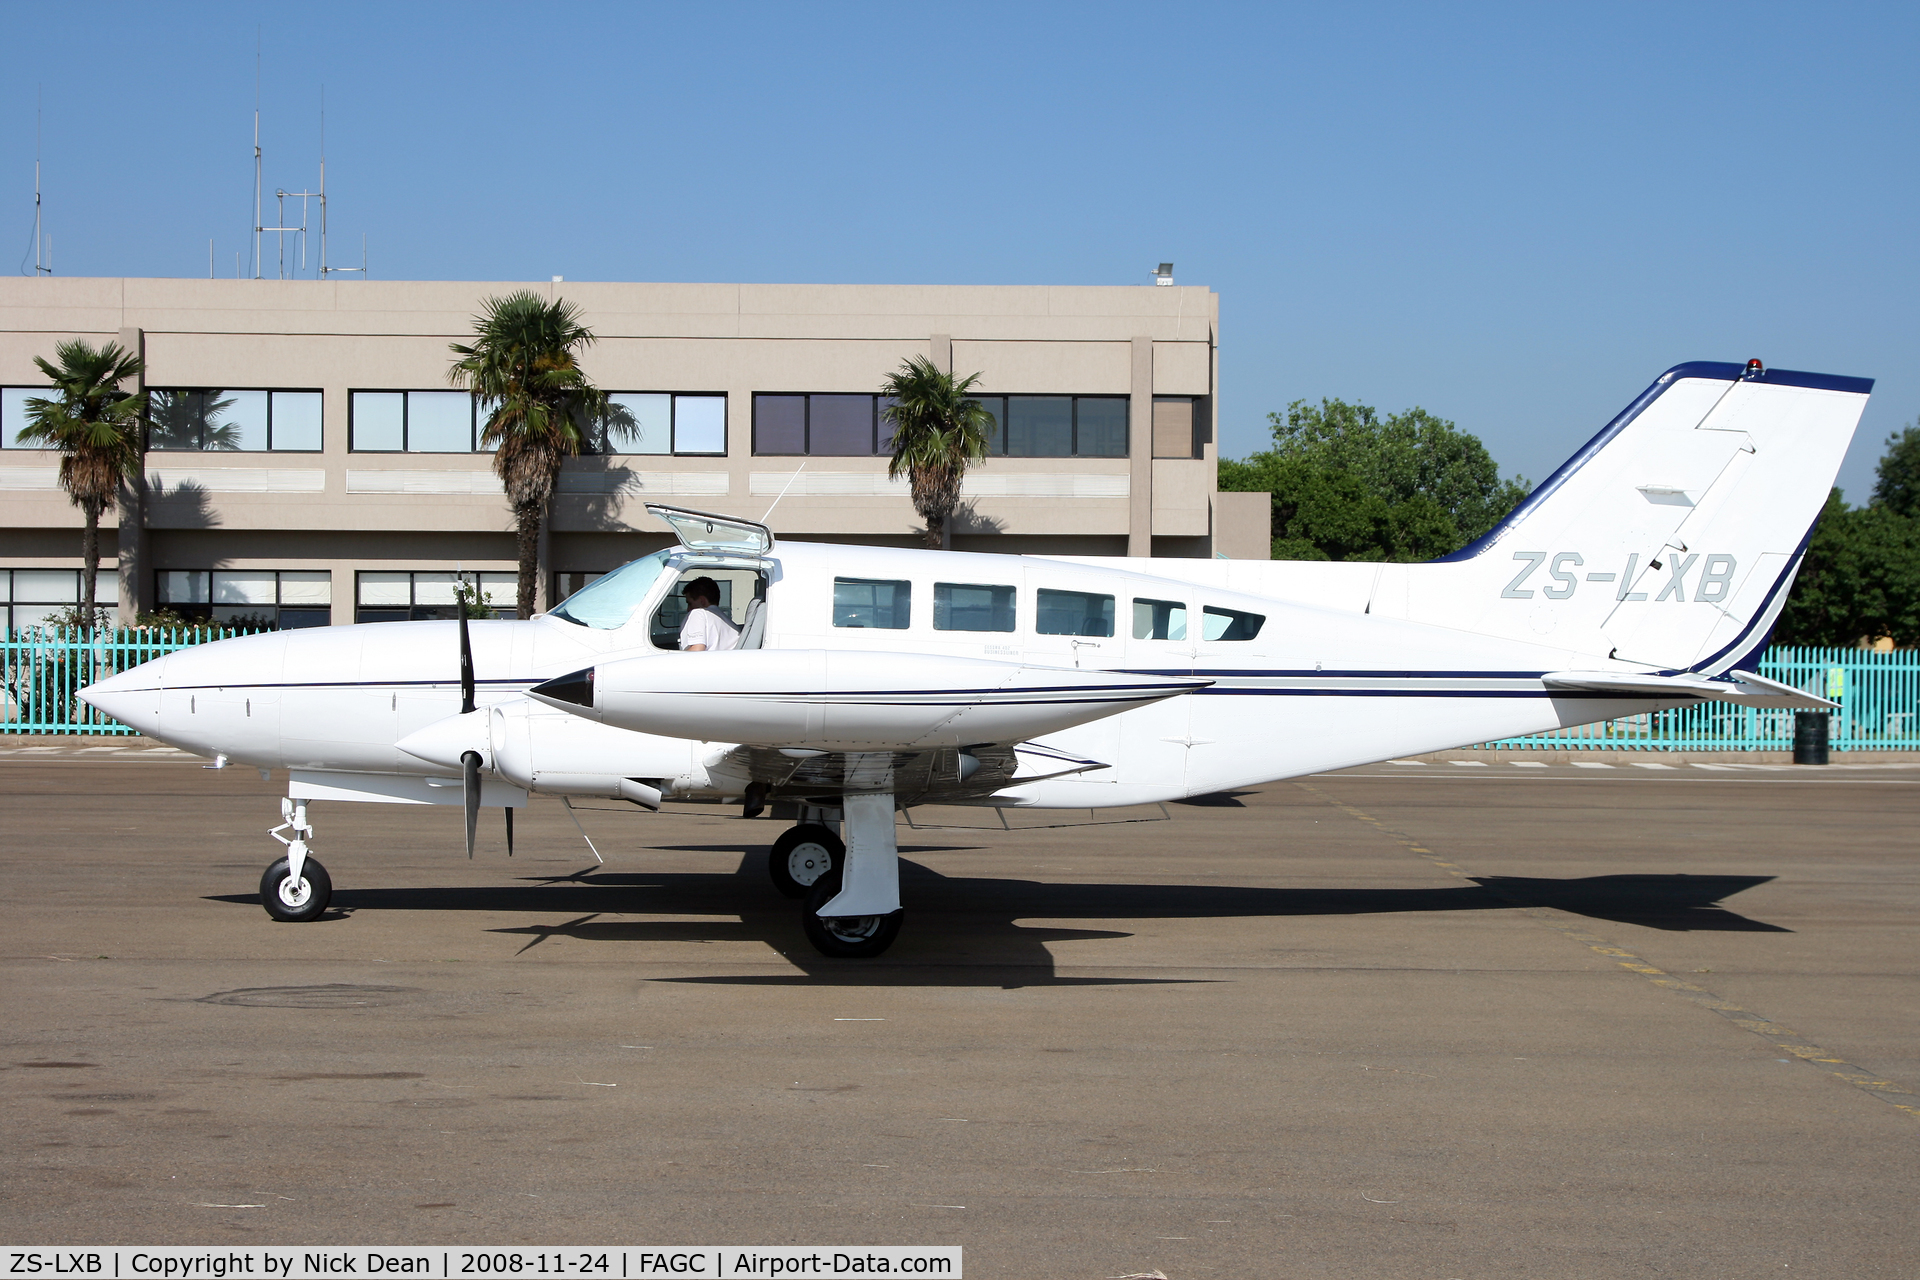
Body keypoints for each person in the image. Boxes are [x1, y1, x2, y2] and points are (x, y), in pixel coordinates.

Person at [678, 576, 740, 652]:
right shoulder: (732, 625)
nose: (688, 609)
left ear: (702, 601)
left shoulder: (698, 614)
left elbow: (697, 650)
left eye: (690, 603)